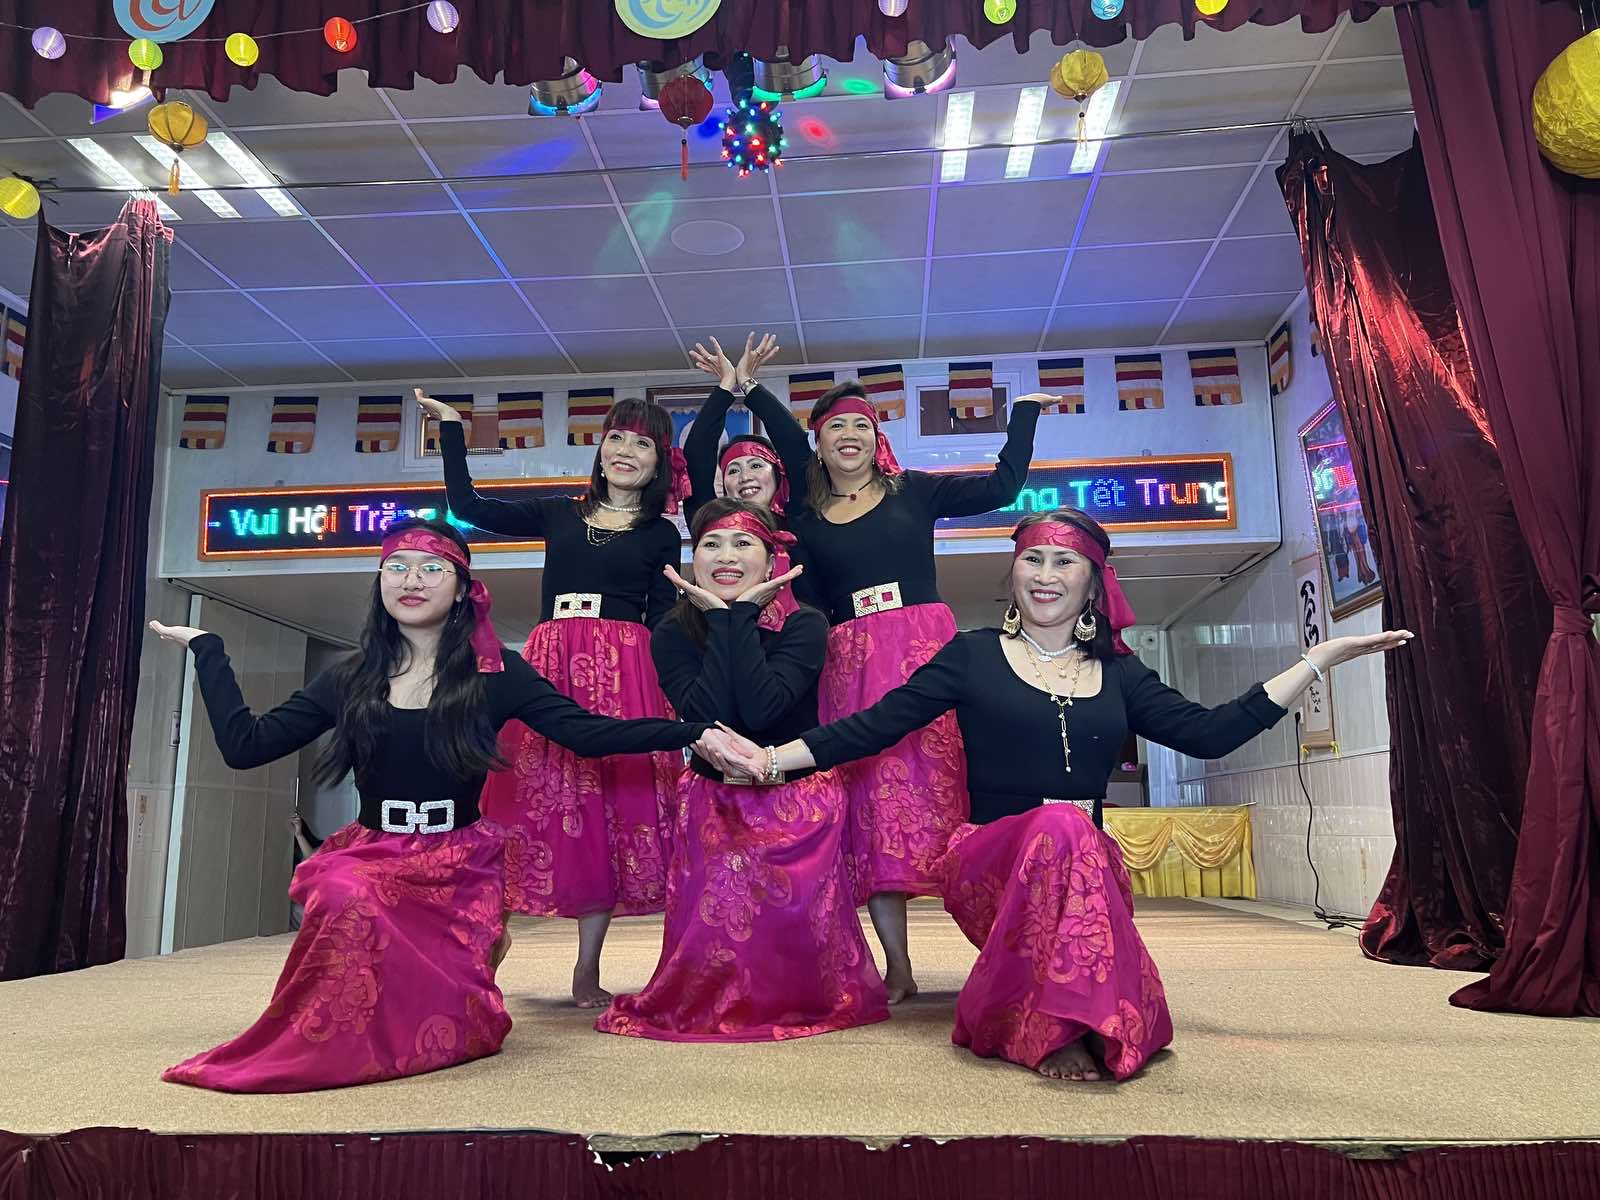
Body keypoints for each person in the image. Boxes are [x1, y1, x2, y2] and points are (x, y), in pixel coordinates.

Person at [700, 509, 1413, 1081]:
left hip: (1087, 868)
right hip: (989, 863)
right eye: (1032, 560)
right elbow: (871, 726)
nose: (1045, 575)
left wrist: (1317, 659)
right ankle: (1061, 1029)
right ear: (1013, 574)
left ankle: (1070, 1016)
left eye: (1064, 561)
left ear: (1093, 582)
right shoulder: (971, 654)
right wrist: (771, 759)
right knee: (1058, 827)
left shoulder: (1122, 674)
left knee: (1075, 835)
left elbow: (1211, 733)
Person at [150, 518, 713, 1093]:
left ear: (463, 588)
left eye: (431, 568)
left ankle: (477, 946)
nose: (411, 580)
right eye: (396, 567)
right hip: (371, 856)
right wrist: (208, 650)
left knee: (459, 1033)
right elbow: (246, 746)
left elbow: (587, 734)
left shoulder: (496, 674)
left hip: (458, 864)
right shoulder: (350, 677)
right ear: (380, 583)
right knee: (348, 895)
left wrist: (693, 732)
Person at [418, 390, 687, 1008]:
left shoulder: (660, 535)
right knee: (523, 798)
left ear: (658, 463)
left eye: (642, 443)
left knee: (607, 811)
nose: (626, 450)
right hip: (551, 661)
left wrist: (674, 697)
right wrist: (454, 430)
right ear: (601, 448)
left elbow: (663, 621)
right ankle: (485, 949)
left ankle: (587, 969)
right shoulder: (559, 514)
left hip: (626, 669)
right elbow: (468, 507)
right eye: (616, 437)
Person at [784, 379, 1046, 1003]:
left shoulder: (916, 490)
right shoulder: (805, 521)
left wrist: (1024, 417)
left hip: (923, 646)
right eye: (836, 427)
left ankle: (1003, 953)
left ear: (878, 438)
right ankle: (897, 966)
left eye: (862, 425)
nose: (850, 436)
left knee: (950, 789)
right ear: (817, 443)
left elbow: (1002, 488)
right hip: (850, 661)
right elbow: (811, 604)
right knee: (873, 806)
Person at [597, 501, 889, 1042]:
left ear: (771, 558)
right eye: (711, 545)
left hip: (796, 802)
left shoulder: (805, 624)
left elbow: (762, 710)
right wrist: (723, 618)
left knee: (795, 948)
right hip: (715, 802)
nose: (726, 557)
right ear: (694, 558)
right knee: (715, 942)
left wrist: (738, 617)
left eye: (742, 544)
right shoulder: (671, 632)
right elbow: (708, 715)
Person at [682, 333, 806, 633]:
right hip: (719, 641)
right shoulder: (712, 521)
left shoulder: (802, 516)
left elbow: (795, 444)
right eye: (733, 470)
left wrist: (748, 383)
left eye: (756, 465)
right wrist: (726, 386)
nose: (745, 476)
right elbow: (696, 455)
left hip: (799, 644)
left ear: (778, 474)